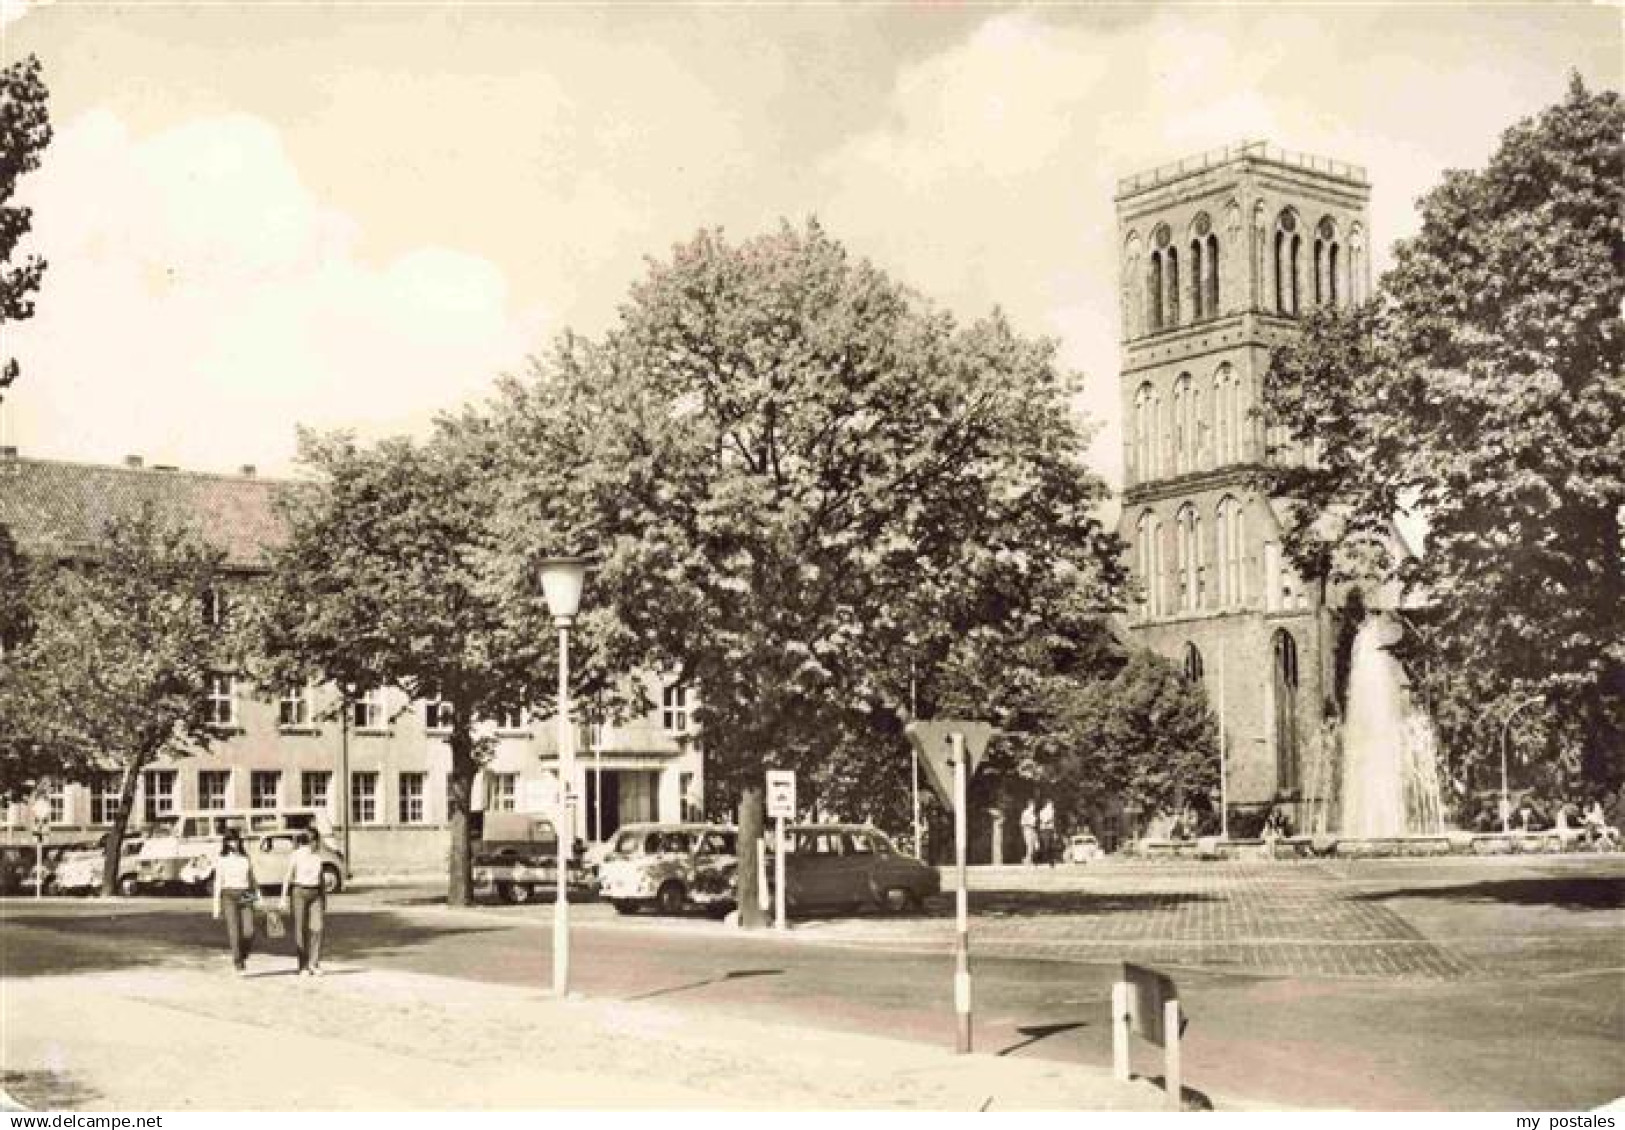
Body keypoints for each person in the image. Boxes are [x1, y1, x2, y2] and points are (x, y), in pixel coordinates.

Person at [280, 830, 328, 976]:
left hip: (315, 894)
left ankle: (314, 963)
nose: (318, 844)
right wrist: (283, 897)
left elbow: (321, 880)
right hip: (299, 892)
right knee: (300, 928)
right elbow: (288, 876)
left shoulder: (318, 858)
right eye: (316, 841)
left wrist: (324, 899)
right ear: (311, 841)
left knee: (317, 928)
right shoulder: (296, 855)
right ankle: (303, 965)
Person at [211, 831, 259, 976]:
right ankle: (238, 963)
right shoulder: (222, 859)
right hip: (229, 894)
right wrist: (216, 906)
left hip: (246, 893)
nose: (234, 844)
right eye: (231, 841)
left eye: (236, 840)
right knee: (234, 931)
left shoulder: (245, 858)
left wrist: (259, 896)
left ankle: (243, 952)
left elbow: (252, 879)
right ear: (226, 843)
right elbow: (218, 882)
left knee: (249, 930)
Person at [1038, 799, 1057, 867]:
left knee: (1052, 846)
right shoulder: (1042, 812)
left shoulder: (1052, 811)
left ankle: (1052, 862)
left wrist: (1054, 832)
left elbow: (1053, 823)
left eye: (1052, 805)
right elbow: (1044, 820)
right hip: (1044, 830)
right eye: (1050, 805)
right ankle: (1037, 859)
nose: (1052, 806)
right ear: (1047, 805)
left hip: (1051, 830)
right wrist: (1049, 817)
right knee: (1046, 846)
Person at [1020, 800, 1038, 866]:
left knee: (1035, 846)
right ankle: (1028, 861)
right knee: (1030, 846)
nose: (1034, 808)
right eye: (1033, 806)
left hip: (1033, 830)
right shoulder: (1025, 813)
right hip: (1027, 830)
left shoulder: (1033, 814)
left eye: (1034, 806)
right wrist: (1029, 823)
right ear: (1029, 806)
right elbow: (1022, 823)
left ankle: (1027, 860)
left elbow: (1034, 823)